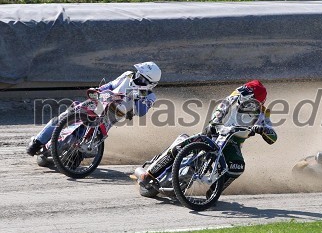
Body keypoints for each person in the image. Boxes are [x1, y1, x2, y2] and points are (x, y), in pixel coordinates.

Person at [138, 79, 277, 193]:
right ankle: (150, 173)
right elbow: (221, 107)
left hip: (232, 143)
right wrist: (215, 121)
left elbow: (273, 136)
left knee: (237, 166)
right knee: (182, 143)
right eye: (244, 95)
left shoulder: (262, 114)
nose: (243, 98)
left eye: (248, 97)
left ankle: (213, 193)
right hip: (214, 133)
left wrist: (263, 129)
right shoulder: (233, 99)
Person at [26, 61, 162, 157]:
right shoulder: (128, 75)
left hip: (111, 116)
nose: (137, 77)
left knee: (91, 143)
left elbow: (142, 112)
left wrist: (138, 97)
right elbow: (110, 85)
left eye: (141, 77)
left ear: (149, 83)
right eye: (138, 73)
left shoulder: (149, 95)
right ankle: (38, 141)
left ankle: (76, 156)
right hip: (99, 102)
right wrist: (99, 90)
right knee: (65, 116)